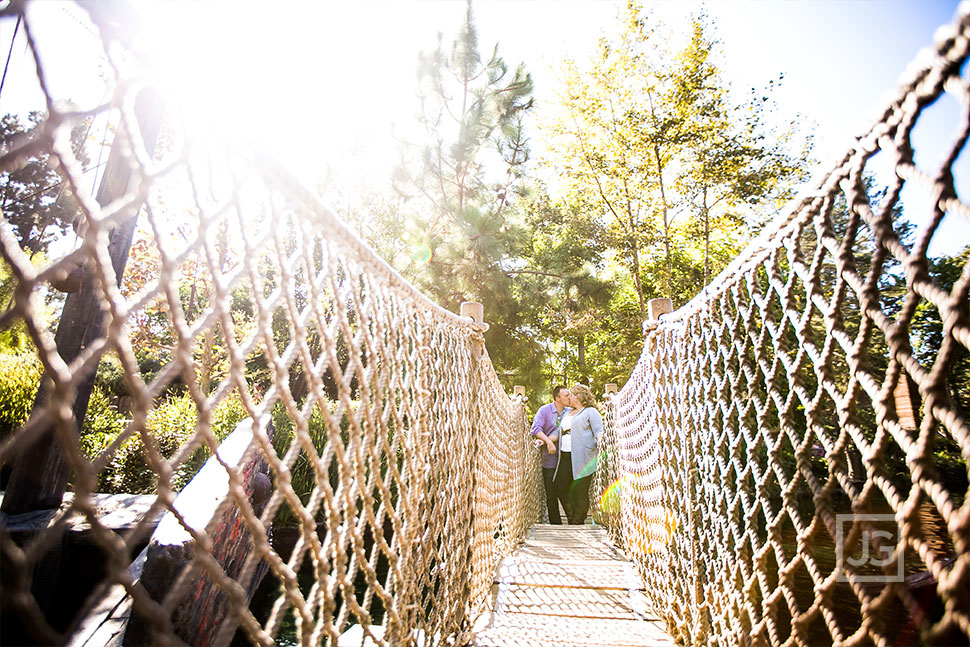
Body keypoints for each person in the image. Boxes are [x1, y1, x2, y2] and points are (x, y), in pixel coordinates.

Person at [554, 384, 604, 524]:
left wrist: (600, 439)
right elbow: (560, 430)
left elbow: (598, 430)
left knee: (580, 492)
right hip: (565, 456)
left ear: (577, 396)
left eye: (571, 394)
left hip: (583, 457)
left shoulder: (590, 412)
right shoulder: (567, 412)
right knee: (560, 486)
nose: (569, 397)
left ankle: (576, 523)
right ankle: (572, 518)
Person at [531, 385, 572, 524]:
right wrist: (548, 442)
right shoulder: (544, 410)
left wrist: (549, 441)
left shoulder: (571, 411)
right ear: (557, 398)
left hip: (567, 458)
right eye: (566, 395)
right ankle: (556, 525)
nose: (569, 397)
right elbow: (535, 428)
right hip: (549, 458)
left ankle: (574, 521)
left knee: (566, 490)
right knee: (551, 494)